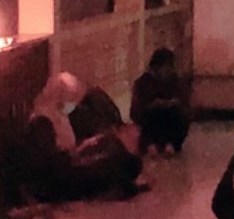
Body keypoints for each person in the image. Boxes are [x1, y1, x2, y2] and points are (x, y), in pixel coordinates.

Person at [19, 73, 143, 201]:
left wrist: (85, 146)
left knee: (115, 150)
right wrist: (77, 156)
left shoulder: (60, 115)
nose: (72, 105)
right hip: (58, 181)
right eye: (70, 99)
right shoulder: (42, 121)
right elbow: (50, 165)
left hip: (69, 166)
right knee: (111, 165)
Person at [130, 46, 190, 156]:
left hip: (172, 119)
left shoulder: (175, 81)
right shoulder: (143, 83)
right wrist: (151, 105)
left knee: (174, 113)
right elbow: (135, 113)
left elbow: (186, 107)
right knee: (154, 114)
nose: (169, 71)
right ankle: (150, 143)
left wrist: (174, 103)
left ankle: (171, 143)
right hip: (150, 120)